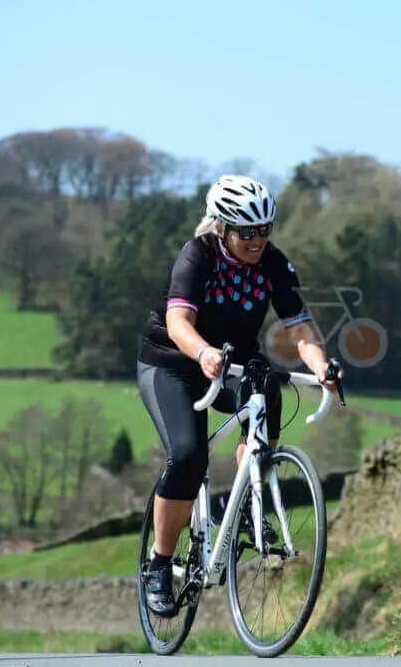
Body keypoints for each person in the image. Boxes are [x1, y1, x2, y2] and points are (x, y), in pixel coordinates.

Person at [136, 175, 340, 617]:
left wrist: (321, 366)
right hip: (171, 363)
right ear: (222, 227)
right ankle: (159, 562)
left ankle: (242, 497)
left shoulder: (274, 264)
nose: (257, 240)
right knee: (189, 456)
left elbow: (300, 326)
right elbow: (178, 323)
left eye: (265, 230)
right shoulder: (198, 255)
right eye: (247, 232)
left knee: (267, 391)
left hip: (235, 363)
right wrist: (203, 352)